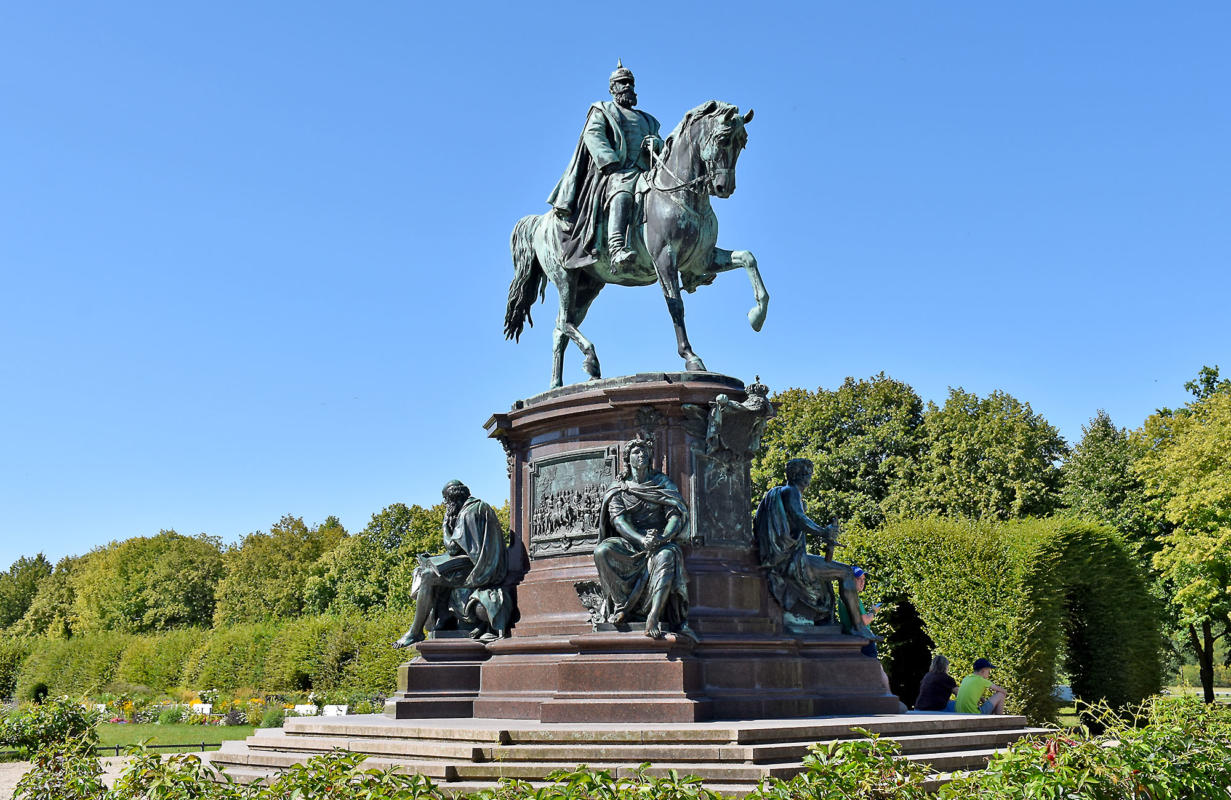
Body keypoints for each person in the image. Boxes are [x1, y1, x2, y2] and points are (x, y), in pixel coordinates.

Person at [547, 61, 663, 273]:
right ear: (612, 88)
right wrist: (610, 161)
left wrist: (657, 143)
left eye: (630, 83)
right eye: (622, 83)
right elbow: (593, 135)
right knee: (622, 192)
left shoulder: (648, 119)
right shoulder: (603, 110)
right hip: (615, 171)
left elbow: (661, 143)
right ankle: (617, 248)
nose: (627, 86)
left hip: (645, 172)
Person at [753, 458, 877, 640]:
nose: (810, 478)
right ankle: (858, 627)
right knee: (846, 572)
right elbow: (799, 519)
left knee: (829, 575)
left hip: (789, 558)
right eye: (809, 474)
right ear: (801, 475)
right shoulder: (791, 491)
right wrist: (823, 532)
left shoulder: (785, 493)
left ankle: (826, 619)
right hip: (792, 561)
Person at [593, 437, 694, 640]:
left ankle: (654, 616)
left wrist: (664, 537)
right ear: (627, 459)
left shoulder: (661, 483)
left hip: (660, 541)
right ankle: (622, 606)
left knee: (667, 555)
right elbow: (619, 522)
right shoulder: (619, 488)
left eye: (644, 452)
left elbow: (675, 513)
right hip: (631, 542)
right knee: (602, 551)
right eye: (636, 453)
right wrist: (641, 540)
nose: (641, 455)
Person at [392, 480, 509, 647]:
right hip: (485, 563)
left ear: (453, 499)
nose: (445, 504)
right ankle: (444, 617)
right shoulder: (480, 507)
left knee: (427, 576)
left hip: (480, 569)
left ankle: (415, 632)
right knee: (429, 569)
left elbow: (453, 548)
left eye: (446, 500)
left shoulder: (467, 513)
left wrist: (445, 526)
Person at [836, 566, 883, 656]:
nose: (862, 582)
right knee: (874, 668)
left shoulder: (843, 596)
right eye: (858, 579)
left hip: (852, 639)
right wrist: (873, 611)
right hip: (863, 639)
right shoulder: (853, 597)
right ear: (850, 580)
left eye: (863, 579)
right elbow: (864, 621)